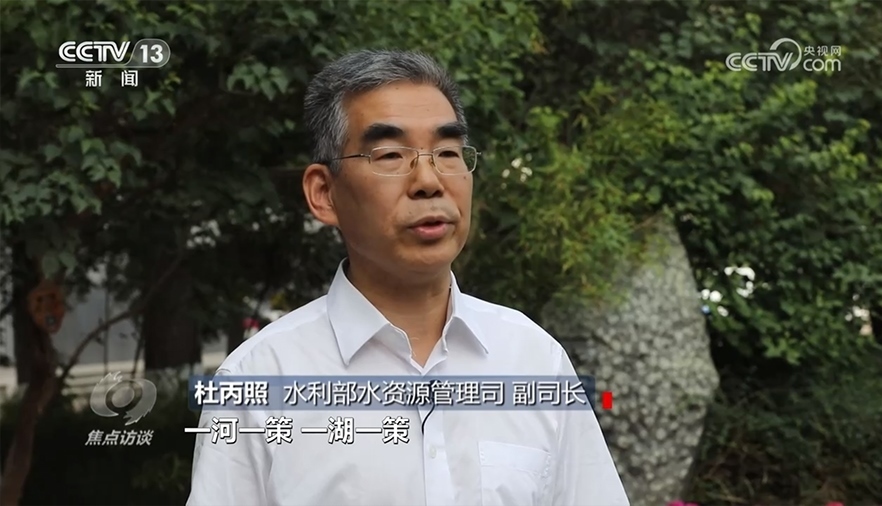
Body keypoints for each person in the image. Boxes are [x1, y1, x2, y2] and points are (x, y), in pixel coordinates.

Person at [186, 49, 630, 506]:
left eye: (448, 153)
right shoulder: (258, 382)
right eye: (391, 155)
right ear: (324, 193)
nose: (429, 181)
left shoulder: (534, 360)